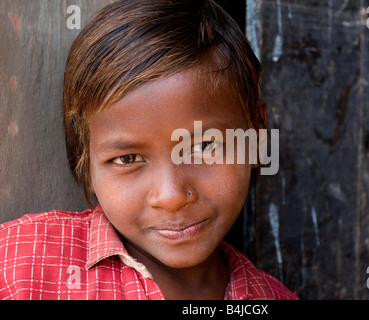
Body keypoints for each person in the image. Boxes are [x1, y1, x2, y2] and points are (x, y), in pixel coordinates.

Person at [0, 0, 298, 300]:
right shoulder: (20, 265)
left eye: (204, 146)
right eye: (127, 159)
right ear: (85, 161)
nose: (171, 197)